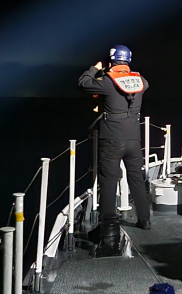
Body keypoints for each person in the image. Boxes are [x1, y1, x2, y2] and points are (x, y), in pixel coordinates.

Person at [78, 45, 151, 248]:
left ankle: (108, 227)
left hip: (112, 139)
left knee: (108, 181)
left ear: (112, 61)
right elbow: (140, 85)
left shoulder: (108, 82)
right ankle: (145, 220)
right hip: (134, 139)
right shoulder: (141, 81)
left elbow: (83, 83)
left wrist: (95, 68)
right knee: (137, 179)